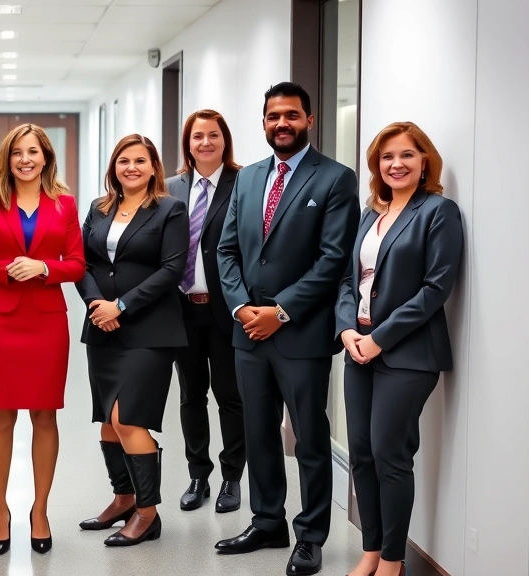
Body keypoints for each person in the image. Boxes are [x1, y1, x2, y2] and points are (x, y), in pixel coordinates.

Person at [215, 81, 360, 576]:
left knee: (309, 437)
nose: (283, 124)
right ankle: (267, 520)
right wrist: (241, 309)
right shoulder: (248, 178)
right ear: (263, 123)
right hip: (247, 334)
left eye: (292, 115)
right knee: (258, 433)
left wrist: (278, 311)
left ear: (309, 120)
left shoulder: (336, 180)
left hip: (300, 333)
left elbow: (333, 259)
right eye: (274, 116)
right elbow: (226, 251)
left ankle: (311, 534)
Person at [336, 123, 462, 576]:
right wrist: (348, 330)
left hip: (408, 352)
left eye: (407, 155)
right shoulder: (372, 214)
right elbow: (350, 280)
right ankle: (370, 550)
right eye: (387, 157)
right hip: (359, 346)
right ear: (377, 165)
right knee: (361, 452)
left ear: (425, 160)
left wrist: (378, 337)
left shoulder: (438, 212)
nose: (397, 164)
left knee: (390, 453)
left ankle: (393, 560)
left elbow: (435, 289)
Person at [0, 123, 85, 555]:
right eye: (17, 152)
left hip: (47, 321)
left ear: (46, 157)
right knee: (1, 418)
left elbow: (77, 264)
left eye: (33, 151)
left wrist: (45, 269)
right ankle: (0, 510)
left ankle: (40, 510)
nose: (25, 159)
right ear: (7, 159)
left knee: (45, 417)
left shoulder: (64, 205)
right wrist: (12, 268)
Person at [76, 134, 188, 546]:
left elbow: (171, 269)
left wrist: (120, 306)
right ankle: (122, 498)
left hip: (150, 329)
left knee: (128, 418)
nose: (132, 168)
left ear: (154, 167)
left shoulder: (170, 210)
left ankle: (147, 513)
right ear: (114, 167)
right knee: (107, 420)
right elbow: (82, 262)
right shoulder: (99, 208)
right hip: (102, 326)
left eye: (140, 161)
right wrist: (96, 305)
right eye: (124, 161)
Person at [165, 109, 246, 514]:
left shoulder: (245, 182)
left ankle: (232, 477)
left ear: (224, 140)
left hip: (227, 309)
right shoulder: (170, 187)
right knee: (191, 396)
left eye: (213, 135)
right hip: (182, 309)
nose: (205, 143)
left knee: (230, 396)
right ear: (188, 143)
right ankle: (199, 475)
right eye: (198, 137)